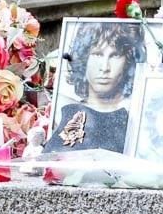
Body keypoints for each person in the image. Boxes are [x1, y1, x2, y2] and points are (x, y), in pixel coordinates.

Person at [44, 22, 148, 153]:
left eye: (115, 55)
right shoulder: (64, 112)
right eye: (97, 54)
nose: (104, 68)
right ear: (83, 58)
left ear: (128, 61)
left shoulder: (138, 118)